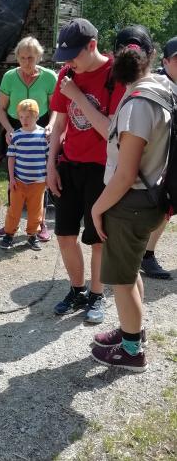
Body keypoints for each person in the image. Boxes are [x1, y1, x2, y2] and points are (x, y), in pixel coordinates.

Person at [90, 25, 174, 372]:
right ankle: (132, 331)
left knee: (121, 282)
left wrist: (97, 208)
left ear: (114, 58)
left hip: (132, 204)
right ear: (152, 57)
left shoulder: (138, 103)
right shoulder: (163, 89)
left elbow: (125, 175)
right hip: (153, 197)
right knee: (131, 270)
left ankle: (131, 350)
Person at [47, 18, 125, 324]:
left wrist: (78, 96)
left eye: (73, 56)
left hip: (102, 170)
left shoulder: (115, 76)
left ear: (92, 46)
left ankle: (96, 294)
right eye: (64, 58)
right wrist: (51, 163)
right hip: (70, 165)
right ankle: (77, 290)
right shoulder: (67, 74)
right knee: (65, 235)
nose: (68, 64)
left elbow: (111, 132)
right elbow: (60, 125)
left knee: (97, 238)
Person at [0, 36, 57, 242]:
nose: (26, 62)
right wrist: (8, 129)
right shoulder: (9, 77)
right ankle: (9, 225)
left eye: (30, 58)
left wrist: (51, 125)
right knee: (13, 175)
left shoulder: (50, 77)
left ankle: (41, 225)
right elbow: (1, 109)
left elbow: (56, 108)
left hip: (42, 124)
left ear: (39, 56)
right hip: (15, 123)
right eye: (22, 58)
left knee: (41, 173)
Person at [139, 35, 177, 279]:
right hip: (165, 161)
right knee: (165, 208)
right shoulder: (159, 86)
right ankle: (146, 255)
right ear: (165, 61)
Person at [0, 99, 48, 251]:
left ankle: (32, 235)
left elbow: (48, 158)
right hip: (19, 182)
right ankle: (9, 234)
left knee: (35, 211)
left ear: (37, 116)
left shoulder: (44, 136)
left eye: (28, 117)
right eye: (21, 117)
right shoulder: (16, 136)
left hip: (38, 182)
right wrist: (12, 178)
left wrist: (48, 178)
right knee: (14, 210)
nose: (24, 120)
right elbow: (11, 158)